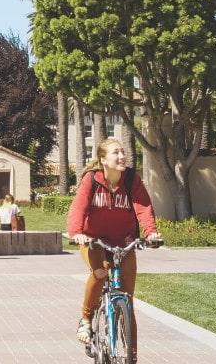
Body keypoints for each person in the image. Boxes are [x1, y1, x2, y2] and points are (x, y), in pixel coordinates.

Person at [66, 138, 161, 356]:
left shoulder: (131, 179)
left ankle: (131, 357)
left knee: (127, 300)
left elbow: (143, 207)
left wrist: (151, 232)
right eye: (116, 153)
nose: (122, 156)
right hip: (94, 241)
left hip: (124, 242)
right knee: (100, 273)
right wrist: (77, 233)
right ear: (103, 159)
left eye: (123, 152)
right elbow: (78, 208)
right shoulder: (91, 180)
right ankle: (86, 319)